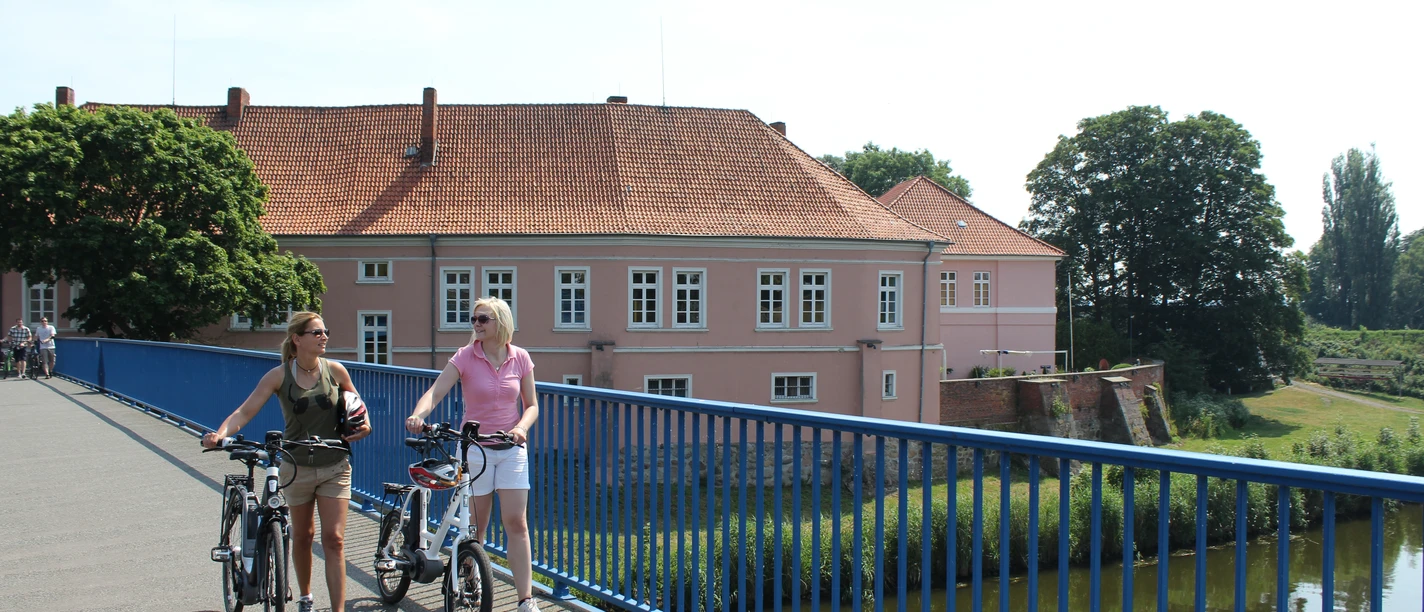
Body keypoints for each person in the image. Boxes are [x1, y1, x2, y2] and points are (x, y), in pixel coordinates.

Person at [202, 312, 371, 612]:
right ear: (297, 339)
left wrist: (363, 427)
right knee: (303, 536)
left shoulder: (336, 371)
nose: (324, 337)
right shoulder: (279, 375)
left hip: (335, 463)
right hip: (296, 466)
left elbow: (359, 409)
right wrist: (219, 434)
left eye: (325, 331)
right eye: (316, 332)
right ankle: (305, 597)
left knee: (334, 539)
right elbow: (244, 412)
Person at [406, 297, 541, 612]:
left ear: (500, 322)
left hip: (511, 449)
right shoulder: (465, 357)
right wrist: (418, 415)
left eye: (483, 319)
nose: (477, 324)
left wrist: (521, 427)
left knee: (516, 523)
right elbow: (436, 391)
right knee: (476, 527)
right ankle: (471, 581)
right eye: (475, 319)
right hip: (474, 449)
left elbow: (531, 404)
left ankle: (525, 599)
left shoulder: (520, 358)